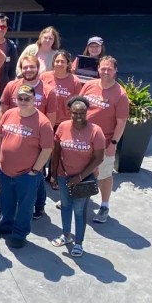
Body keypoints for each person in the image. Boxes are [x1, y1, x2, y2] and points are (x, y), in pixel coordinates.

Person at [0, 85, 54, 248]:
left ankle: (19, 234)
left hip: (27, 174)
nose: (23, 101)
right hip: (4, 169)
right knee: (6, 201)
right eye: (20, 98)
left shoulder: (43, 122)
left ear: (34, 100)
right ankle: (5, 225)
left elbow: (47, 149)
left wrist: (34, 171)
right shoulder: (9, 114)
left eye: (27, 98)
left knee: (25, 206)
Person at [48, 96, 105, 257]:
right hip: (63, 176)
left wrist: (79, 177)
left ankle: (78, 242)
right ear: (69, 112)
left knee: (79, 210)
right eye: (75, 113)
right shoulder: (63, 127)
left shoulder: (96, 131)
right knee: (65, 206)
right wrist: (53, 174)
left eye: (82, 113)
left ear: (87, 112)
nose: (78, 117)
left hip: (84, 180)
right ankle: (66, 235)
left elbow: (98, 158)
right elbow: (56, 152)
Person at [80, 56, 128, 223]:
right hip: (83, 138)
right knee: (80, 169)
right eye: (103, 68)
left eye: (109, 69)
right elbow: (79, 107)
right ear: (98, 69)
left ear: (115, 71)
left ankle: (104, 205)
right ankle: (77, 197)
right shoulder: (89, 85)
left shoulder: (120, 94)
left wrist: (113, 143)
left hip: (105, 142)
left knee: (104, 175)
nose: (105, 71)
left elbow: (122, 122)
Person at [41, 50, 82, 128]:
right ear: (53, 63)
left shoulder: (75, 81)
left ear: (68, 64)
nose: (59, 64)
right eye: (57, 61)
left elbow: (77, 104)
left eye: (62, 62)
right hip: (45, 121)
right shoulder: (44, 77)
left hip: (64, 123)